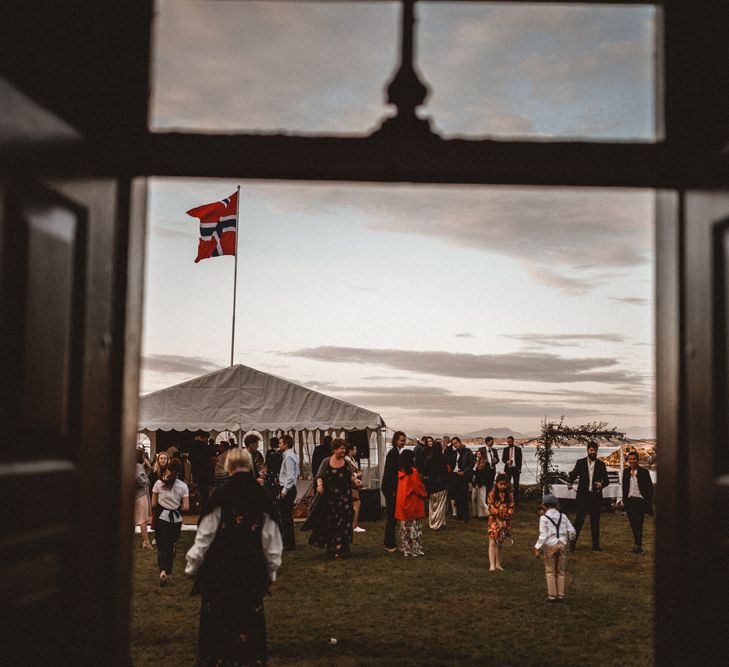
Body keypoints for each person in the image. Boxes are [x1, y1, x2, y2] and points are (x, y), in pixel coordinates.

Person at [185, 447, 282, 667]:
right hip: (251, 571)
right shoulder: (262, 496)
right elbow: (272, 539)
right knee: (248, 623)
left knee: (218, 625)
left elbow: (205, 536)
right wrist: (271, 571)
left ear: (228, 467)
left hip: (219, 571)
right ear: (251, 466)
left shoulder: (220, 495)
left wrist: (192, 566)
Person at [303, 438, 359, 558]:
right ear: (334, 449)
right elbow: (319, 476)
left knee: (344, 523)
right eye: (341, 449)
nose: (344, 451)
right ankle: (332, 547)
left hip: (345, 499)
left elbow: (351, 477)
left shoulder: (347, 463)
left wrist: (356, 481)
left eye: (345, 449)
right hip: (330, 499)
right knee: (331, 523)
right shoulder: (326, 461)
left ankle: (341, 547)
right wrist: (320, 484)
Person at [151, 457, 189, 587]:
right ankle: (168, 572)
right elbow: (186, 507)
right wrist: (176, 505)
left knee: (162, 547)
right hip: (176, 519)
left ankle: (162, 572)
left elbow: (154, 503)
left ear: (168, 468)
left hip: (162, 518)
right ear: (180, 471)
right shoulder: (183, 486)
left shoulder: (158, 483)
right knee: (171, 545)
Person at [533, 494, 576, 602]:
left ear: (544, 506)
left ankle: (552, 595)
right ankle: (561, 595)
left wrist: (537, 547)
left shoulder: (543, 518)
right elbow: (572, 532)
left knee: (550, 571)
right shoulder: (563, 516)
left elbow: (543, 535)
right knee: (560, 571)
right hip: (562, 545)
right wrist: (569, 540)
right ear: (557, 505)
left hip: (550, 546)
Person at [568, 441, 610, 551]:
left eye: (595, 451)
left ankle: (596, 546)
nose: (593, 452)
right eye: (591, 450)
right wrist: (570, 482)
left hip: (595, 497)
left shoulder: (601, 464)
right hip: (582, 496)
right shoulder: (580, 462)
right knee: (579, 521)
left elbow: (606, 481)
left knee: (595, 522)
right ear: (587, 450)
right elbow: (573, 474)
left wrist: (602, 484)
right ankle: (572, 545)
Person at [395, 449, 428, 557]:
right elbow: (418, 487)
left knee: (404, 529)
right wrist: (424, 494)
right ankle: (415, 549)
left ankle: (406, 549)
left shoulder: (400, 472)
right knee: (414, 528)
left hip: (402, 503)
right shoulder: (413, 472)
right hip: (413, 503)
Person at [621, 450, 654, 555]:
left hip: (640, 501)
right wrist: (624, 501)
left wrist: (647, 501)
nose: (632, 461)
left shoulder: (644, 472)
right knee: (633, 524)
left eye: (634, 459)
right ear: (628, 460)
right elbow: (624, 487)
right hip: (630, 501)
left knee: (639, 524)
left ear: (637, 459)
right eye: (630, 459)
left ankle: (639, 546)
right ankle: (636, 545)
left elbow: (650, 488)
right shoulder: (626, 472)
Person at [381, 430, 407, 552]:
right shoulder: (393, 454)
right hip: (390, 489)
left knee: (393, 517)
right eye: (402, 440)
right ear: (395, 440)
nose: (404, 442)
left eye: (405, 440)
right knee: (391, 517)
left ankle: (391, 542)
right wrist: (393, 491)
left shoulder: (397, 453)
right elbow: (391, 474)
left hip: (392, 489)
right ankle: (389, 544)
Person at [487, 473, 514, 571]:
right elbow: (491, 507)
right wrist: (498, 519)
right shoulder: (492, 493)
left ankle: (498, 564)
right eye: (500, 484)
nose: (503, 486)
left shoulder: (509, 494)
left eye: (504, 484)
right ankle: (492, 565)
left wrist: (505, 520)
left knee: (500, 543)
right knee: (492, 542)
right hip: (494, 520)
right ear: (496, 483)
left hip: (505, 521)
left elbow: (511, 507)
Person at [277, 434, 299, 551]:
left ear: (286, 444)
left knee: (285, 517)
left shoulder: (289, 457)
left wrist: (284, 490)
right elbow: (297, 472)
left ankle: (289, 543)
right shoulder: (291, 455)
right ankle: (288, 542)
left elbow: (291, 476)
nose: (279, 445)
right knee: (286, 516)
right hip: (290, 488)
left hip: (288, 488)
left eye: (280, 443)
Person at [424, 441, 449, 530]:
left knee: (432, 504)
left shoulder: (428, 459)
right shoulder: (445, 458)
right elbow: (448, 470)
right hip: (442, 484)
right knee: (440, 505)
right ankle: (439, 523)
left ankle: (432, 522)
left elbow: (425, 471)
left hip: (431, 484)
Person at [188, 430, 214, 509]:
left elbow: (190, 458)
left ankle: (199, 505)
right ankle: (204, 507)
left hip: (196, 472)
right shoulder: (207, 447)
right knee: (205, 491)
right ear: (204, 438)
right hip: (206, 472)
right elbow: (213, 459)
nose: (207, 440)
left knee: (197, 490)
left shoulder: (192, 447)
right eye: (207, 438)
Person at [452, 437, 475, 522]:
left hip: (464, 476)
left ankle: (466, 517)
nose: (455, 445)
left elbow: (472, 463)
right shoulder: (454, 453)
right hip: (455, 476)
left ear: (460, 442)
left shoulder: (467, 451)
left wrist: (464, 472)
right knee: (457, 497)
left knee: (464, 497)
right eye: (453, 444)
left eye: (456, 443)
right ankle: (459, 515)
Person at [134, 448, 153, 549]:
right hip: (141, 495)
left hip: (134, 495)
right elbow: (140, 479)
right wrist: (147, 481)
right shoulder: (138, 466)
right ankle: (146, 541)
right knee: (143, 520)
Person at [345, 441, 366, 533]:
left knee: (354, 504)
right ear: (350, 451)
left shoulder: (351, 459)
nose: (356, 451)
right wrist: (358, 474)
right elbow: (350, 474)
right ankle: (354, 525)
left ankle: (352, 524)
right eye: (355, 449)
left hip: (354, 485)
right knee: (357, 504)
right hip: (352, 485)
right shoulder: (347, 460)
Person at [502, 436, 523, 503]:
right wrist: (506, 461)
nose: (509, 443)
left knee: (516, 485)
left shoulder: (518, 449)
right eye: (508, 442)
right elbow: (503, 459)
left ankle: (516, 501)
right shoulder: (505, 449)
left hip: (515, 469)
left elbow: (520, 460)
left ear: (513, 441)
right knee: (507, 485)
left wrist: (519, 469)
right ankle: (507, 500)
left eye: (510, 441)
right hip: (508, 469)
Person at [471, 448, 490, 519]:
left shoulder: (486, 464)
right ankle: (475, 513)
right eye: (477, 454)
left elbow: (486, 475)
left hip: (482, 483)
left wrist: (483, 483)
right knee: (474, 498)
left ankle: (486, 514)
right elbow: (474, 472)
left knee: (481, 500)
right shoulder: (476, 463)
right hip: (475, 483)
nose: (477, 455)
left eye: (479, 454)